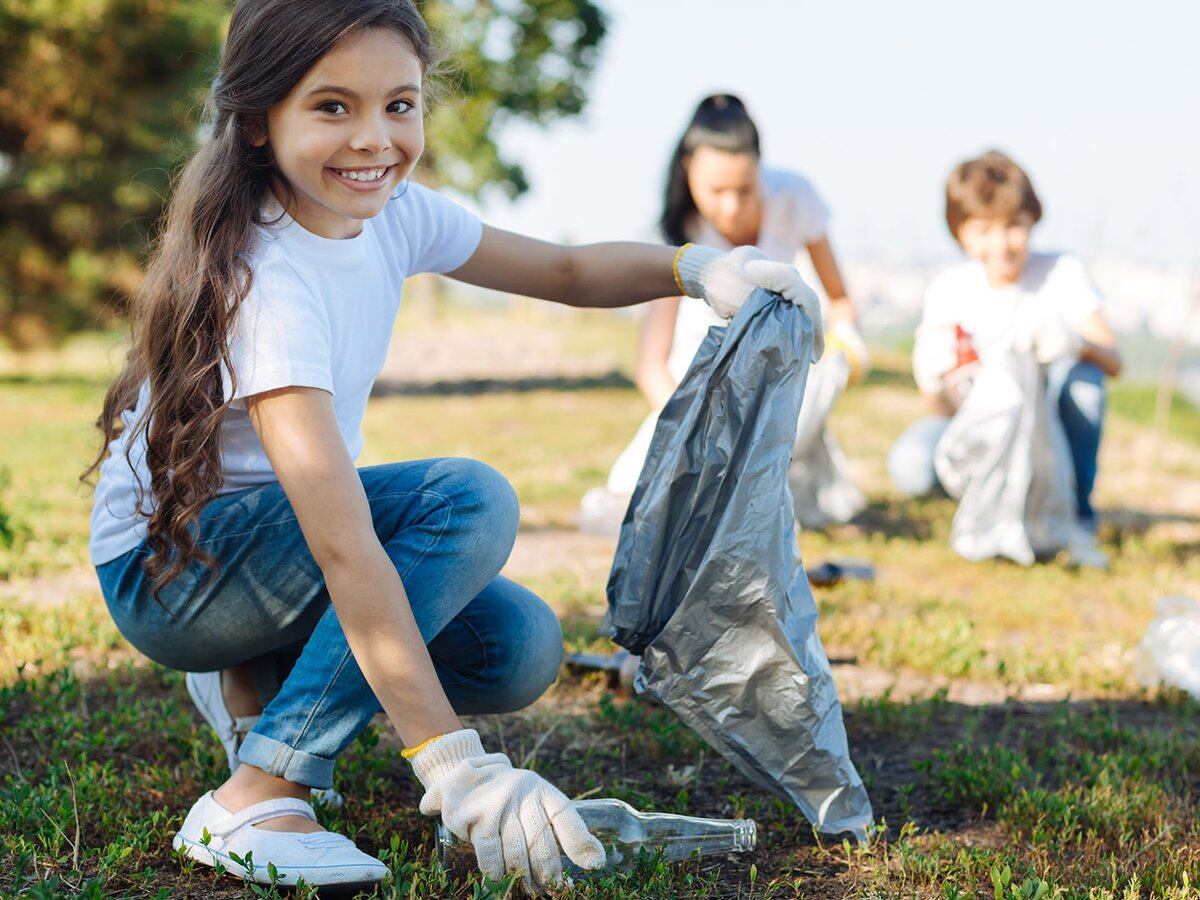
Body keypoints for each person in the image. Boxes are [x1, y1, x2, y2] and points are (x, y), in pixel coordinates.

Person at [83, 1, 824, 893]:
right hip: (173, 574)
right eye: (331, 107)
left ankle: (261, 673)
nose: (374, 138)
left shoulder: (393, 215)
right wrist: (454, 768)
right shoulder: (266, 277)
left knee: (518, 646)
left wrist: (696, 269)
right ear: (255, 122)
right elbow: (342, 545)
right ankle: (259, 789)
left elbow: (562, 270)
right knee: (466, 501)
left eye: (400, 105)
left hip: (261, 557)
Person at [579, 94, 868, 535]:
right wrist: (699, 424)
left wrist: (847, 342)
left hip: (780, 382)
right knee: (633, 498)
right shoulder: (674, 235)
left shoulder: (794, 195)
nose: (731, 207)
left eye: (745, 189)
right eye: (717, 191)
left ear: (760, 170)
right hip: (699, 390)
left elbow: (840, 299)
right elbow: (651, 365)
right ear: (687, 169)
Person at [887, 150, 1122, 567]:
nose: (1002, 244)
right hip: (980, 433)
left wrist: (1074, 342)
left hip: (1050, 433)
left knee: (1085, 382)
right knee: (911, 466)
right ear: (962, 233)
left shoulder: (1060, 272)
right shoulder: (950, 290)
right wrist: (936, 379)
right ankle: (988, 502)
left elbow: (1113, 360)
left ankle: (1078, 515)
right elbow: (940, 409)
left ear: (1032, 221)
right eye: (985, 229)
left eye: (1014, 227)